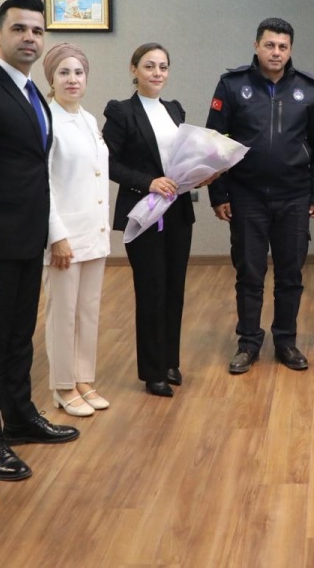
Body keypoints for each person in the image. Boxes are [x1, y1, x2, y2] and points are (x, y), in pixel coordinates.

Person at [0, 0, 78, 484]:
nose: (30, 37)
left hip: (29, 241)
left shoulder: (32, 93)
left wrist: (48, 234)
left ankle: (21, 417)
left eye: (37, 30)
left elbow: (34, 170)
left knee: (18, 339)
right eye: (19, 29)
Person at [205, 18, 314, 374]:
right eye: (270, 45)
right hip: (247, 196)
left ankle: (286, 342)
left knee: (291, 274)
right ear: (256, 46)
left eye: (283, 46)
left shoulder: (308, 89)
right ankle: (248, 343)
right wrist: (218, 193)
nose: (276, 52)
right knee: (250, 273)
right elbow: (213, 143)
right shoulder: (232, 85)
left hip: (295, 196)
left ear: (290, 50)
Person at [105, 43, 205, 397]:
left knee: (174, 288)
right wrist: (147, 182)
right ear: (134, 70)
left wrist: (200, 173)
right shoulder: (121, 112)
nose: (157, 72)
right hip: (144, 212)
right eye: (149, 66)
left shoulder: (174, 109)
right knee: (151, 290)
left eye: (163, 66)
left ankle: (170, 361)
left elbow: (180, 158)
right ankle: (152, 371)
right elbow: (108, 162)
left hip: (177, 210)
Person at [41, 43, 110, 416]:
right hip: (64, 236)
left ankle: (84, 379)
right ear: (51, 78)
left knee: (88, 311)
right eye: (64, 72)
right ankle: (63, 385)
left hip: (94, 232)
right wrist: (57, 235)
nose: (72, 79)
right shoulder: (46, 121)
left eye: (78, 72)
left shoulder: (88, 119)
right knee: (63, 313)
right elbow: (43, 184)